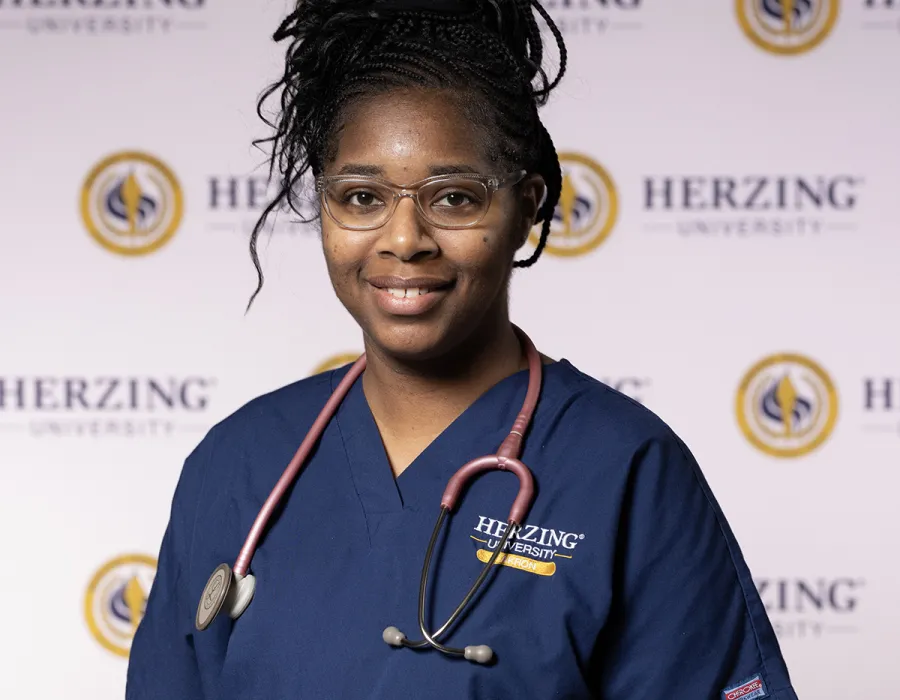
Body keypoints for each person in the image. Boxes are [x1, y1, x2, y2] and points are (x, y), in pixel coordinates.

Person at [126, 0, 800, 698]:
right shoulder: (238, 463)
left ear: (527, 205)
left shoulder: (624, 470)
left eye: (454, 198)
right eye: (361, 197)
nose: (403, 237)